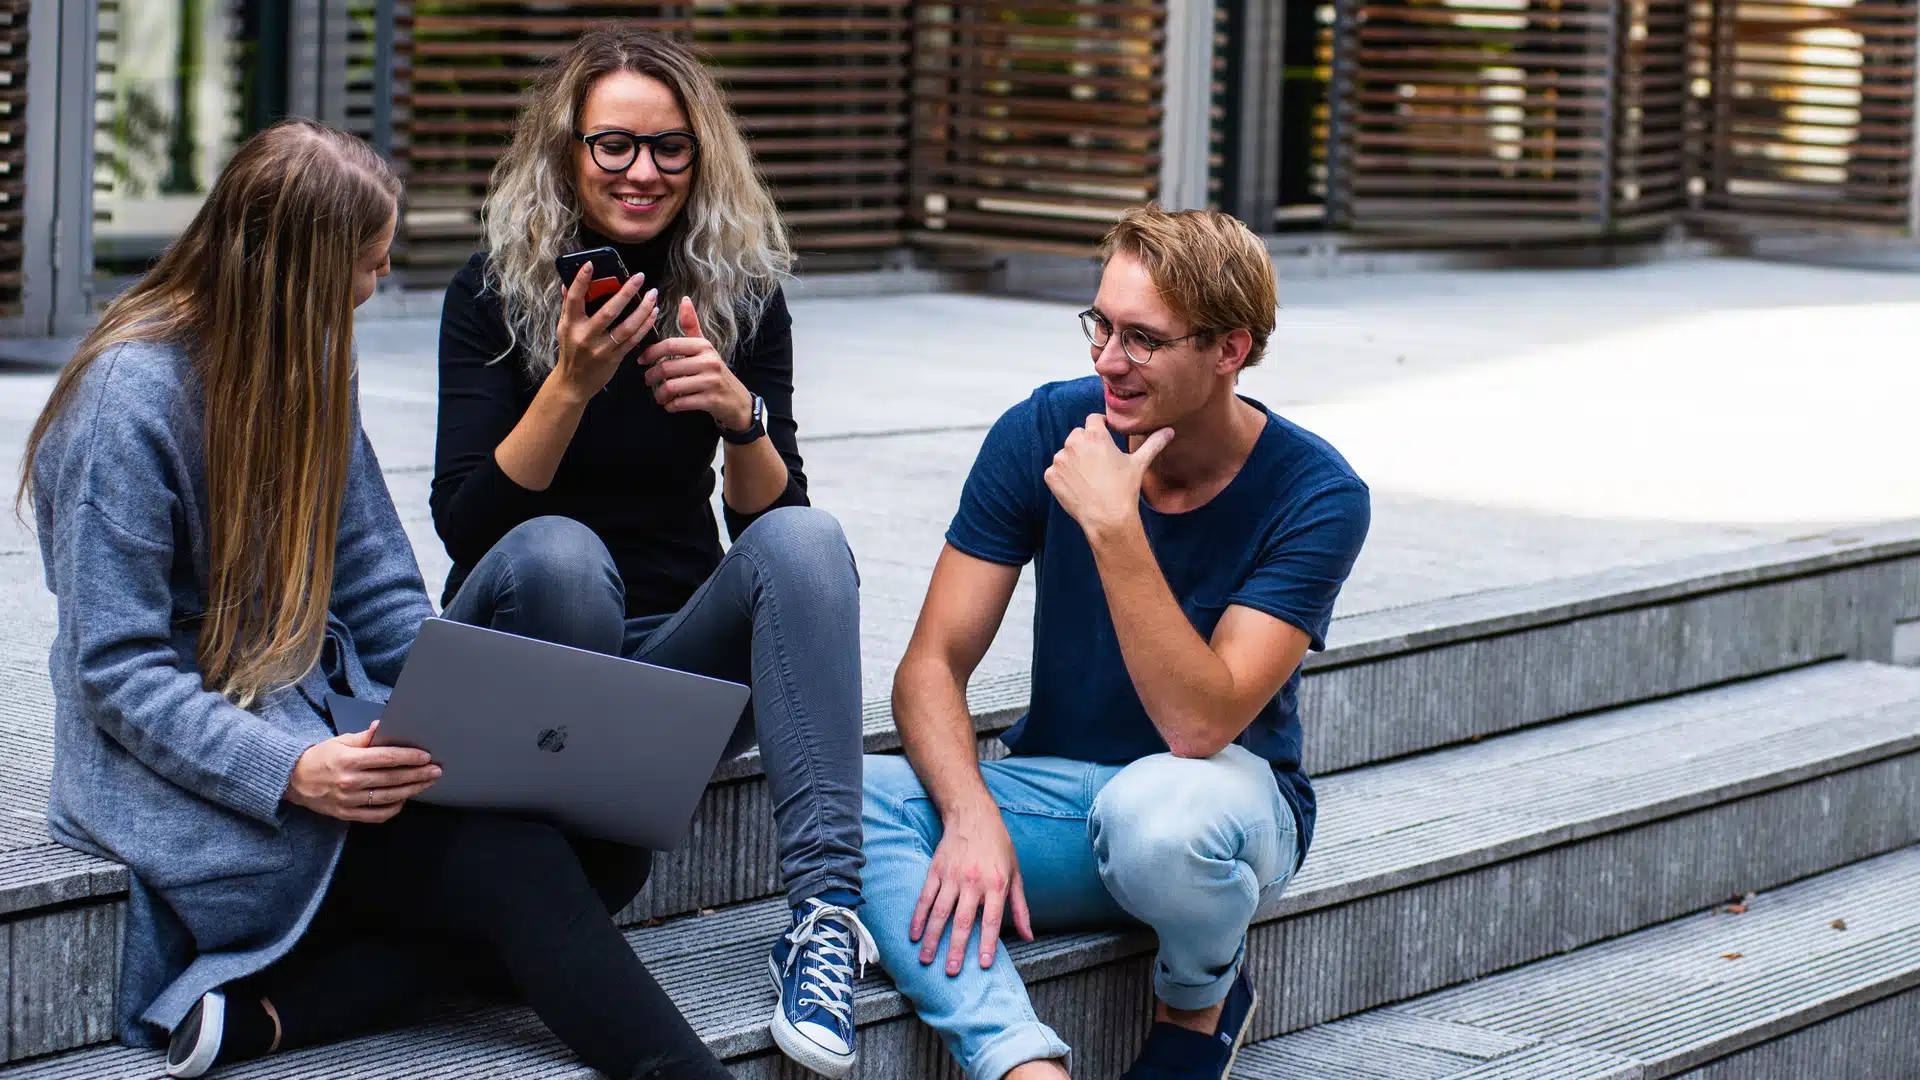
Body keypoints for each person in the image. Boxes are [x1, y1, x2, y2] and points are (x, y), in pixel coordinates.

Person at [20, 120, 734, 1080]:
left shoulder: (311, 361)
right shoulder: (126, 401)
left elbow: (380, 586)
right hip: (196, 775)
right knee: (514, 866)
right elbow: (118, 674)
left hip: (328, 728)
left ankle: (283, 1011)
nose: (378, 284)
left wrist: (467, 709)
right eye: (367, 264)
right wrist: (292, 768)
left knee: (609, 857)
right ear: (298, 269)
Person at [430, 24, 869, 1078]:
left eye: (670, 148)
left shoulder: (738, 291)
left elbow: (775, 537)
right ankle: (551, 888)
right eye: (613, 145)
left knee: (811, 541)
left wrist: (740, 418)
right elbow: (467, 527)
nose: (642, 172)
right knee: (564, 557)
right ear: (567, 151)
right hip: (529, 644)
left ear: (701, 155)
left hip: (669, 668)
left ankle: (826, 924)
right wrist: (570, 384)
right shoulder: (490, 293)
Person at [861, 206, 1372, 1080]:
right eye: (1101, 324)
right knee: (849, 794)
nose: (1105, 359)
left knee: (1158, 818)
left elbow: (1199, 727)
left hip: (1221, 817)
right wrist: (971, 811)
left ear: (1229, 350)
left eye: (1142, 339)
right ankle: (1021, 1063)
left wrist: (1114, 526)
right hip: (1061, 797)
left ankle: (1197, 1004)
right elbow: (930, 667)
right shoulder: (1044, 429)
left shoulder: (1317, 493)